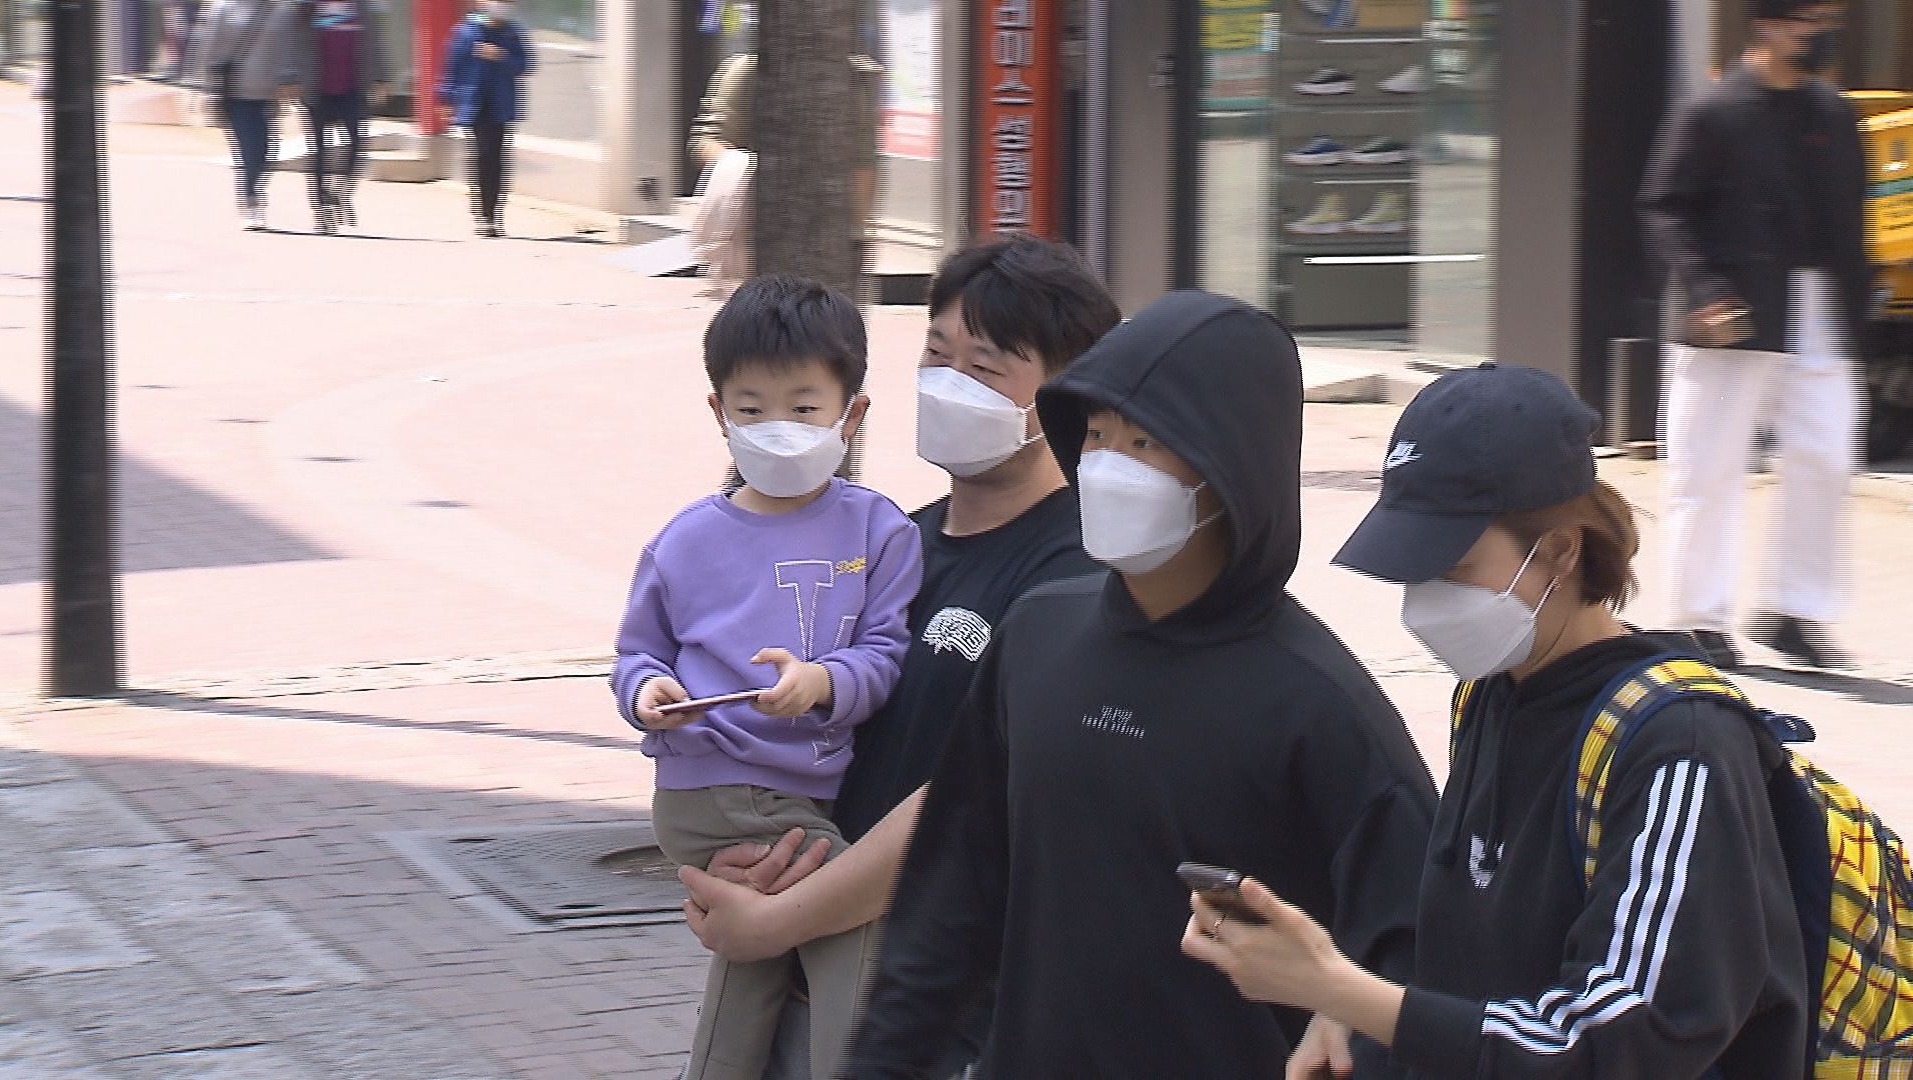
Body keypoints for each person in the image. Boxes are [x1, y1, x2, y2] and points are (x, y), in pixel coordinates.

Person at [841, 291, 1437, 1078]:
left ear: (1231, 466)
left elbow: (1413, 952)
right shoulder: (1036, 637)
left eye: (1146, 441)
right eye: (1096, 435)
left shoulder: (1318, 705)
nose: (1109, 465)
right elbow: (949, 900)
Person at [1182, 363, 1810, 1079]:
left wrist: (1343, 991)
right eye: (1412, 570)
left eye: (1452, 568)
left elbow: (1626, 1039)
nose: (1424, 601)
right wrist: (1354, 1009)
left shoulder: (1681, 744)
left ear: (1561, 550)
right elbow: (1467, 957)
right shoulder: (1490, 690)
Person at [676, 235, 1122, 1080]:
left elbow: (976, 799)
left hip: (942, 1023)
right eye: (937, 353)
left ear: (1067, 392)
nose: (949, 383)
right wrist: (738, 848)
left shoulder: (1079, 574)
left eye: (985, 368)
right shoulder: (887, 545)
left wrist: (782, 917)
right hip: (796, 993)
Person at [612, 275, 923, 1080]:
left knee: (757, 951)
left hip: (797, 790)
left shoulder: (879, 530)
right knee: (848, 914)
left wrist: (822, 681)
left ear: (852, 413)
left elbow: (884, 654)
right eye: (752, 410)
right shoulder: (683, 541)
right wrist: (647, 695)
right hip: (719, 786)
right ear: (719, 412)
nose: (778, 429)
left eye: (804, 407)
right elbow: (637, 655)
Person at [1639, 0, 1872, 672]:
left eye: (1828, 19)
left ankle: (1794, 609)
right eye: (1810, 19)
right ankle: (1699, 619)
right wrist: (1703, 291)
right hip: (1732, 310)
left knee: (1827, 455)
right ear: (1769, 24)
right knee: (1708, 468)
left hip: (1818, 308)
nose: (1823, 33)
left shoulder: (1833, 114)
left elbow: (1848, 219)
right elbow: (1663, 208)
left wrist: (1860, 307)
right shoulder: (1711, 111)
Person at [685, 50, 883, 299]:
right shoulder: (750, 69)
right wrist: (742, 170)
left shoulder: (855, 74)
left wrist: (855, 231)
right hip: (763, 232)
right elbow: (707, 141)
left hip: (829, 236)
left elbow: (863, 163)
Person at [276, 0, 387, 235]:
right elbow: (289, 43)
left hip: (351, 90)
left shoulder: (358, 7)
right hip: (316, 91)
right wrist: (289, 79)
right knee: (319, 152)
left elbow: (373, 41)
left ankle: (340, 192)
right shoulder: (306, 7)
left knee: (358, 146)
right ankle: (321, 211)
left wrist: (380, 77)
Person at [437, 0, 533, 238]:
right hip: (474, 103)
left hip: (501, 104)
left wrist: (501, 55)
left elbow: (525, 65)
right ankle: (482, 214)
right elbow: (452, 67)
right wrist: (445, 99)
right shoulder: (466, 31)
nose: (502, 6)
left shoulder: (512, 33)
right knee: (482, 156)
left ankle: (494, 213)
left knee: (497, 159)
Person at [193, 0, 290, 230]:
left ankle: (254, 192)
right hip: (236, 93)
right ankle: (252, 202)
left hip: (268, 94)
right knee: (250, 150)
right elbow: (208, 50)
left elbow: (286, 50)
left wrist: (286, 83)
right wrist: (207, 89)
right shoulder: (223, 8)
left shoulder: (279, 9)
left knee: (268, 150)